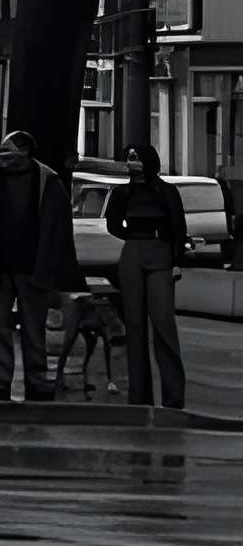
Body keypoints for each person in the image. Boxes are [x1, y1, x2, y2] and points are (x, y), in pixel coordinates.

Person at [0, 129, 79, 403]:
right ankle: (0, 387)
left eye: (9, 152)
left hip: (33, 268)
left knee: (34, 330)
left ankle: (36, 384)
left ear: (26, 152)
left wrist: (56, 271)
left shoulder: (48, 181)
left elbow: (60, 231)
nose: (3, 157)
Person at [108, 141, 194, 414]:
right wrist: (133, 238)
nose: (131, 162)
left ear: (147, 160)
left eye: (135, 157)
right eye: (128, 157)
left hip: (160, 252)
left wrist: (177, 261)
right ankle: (139, 396)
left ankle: (173, 397)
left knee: (163, 323)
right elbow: (113, 224)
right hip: (133, 251)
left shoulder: (166, 191)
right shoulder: (122, 192)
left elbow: (179, 227)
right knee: (134, 326)